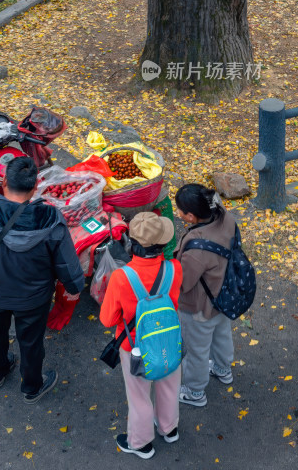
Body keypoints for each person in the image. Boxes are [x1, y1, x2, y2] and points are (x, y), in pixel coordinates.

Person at [0, 156, 85, 404]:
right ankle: (32, 386)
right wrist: (75, 286)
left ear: (2, 182)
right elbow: (66, 261)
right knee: (31, 341)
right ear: (35, 187)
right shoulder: (51, 219)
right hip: (34, 298)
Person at [100, 212, 183, 460]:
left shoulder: (121, 277)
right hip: (169, 338)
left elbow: (107, 319)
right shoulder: (174, 268)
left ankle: (141, 443)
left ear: (131, 244)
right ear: (162, 244)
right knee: (169, 385)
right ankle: (169, 429)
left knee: (139, 396)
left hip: (134, 345)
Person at [175, 183, 236, 407]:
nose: (179, 214)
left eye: (180, 211)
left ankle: (195, 391)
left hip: (201, 307)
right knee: (222, 334)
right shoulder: (226, 219)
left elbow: (185, 283)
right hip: (225, 295)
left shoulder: (197, 247)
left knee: (197, 350)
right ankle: (223, 369)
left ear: (191, 216)